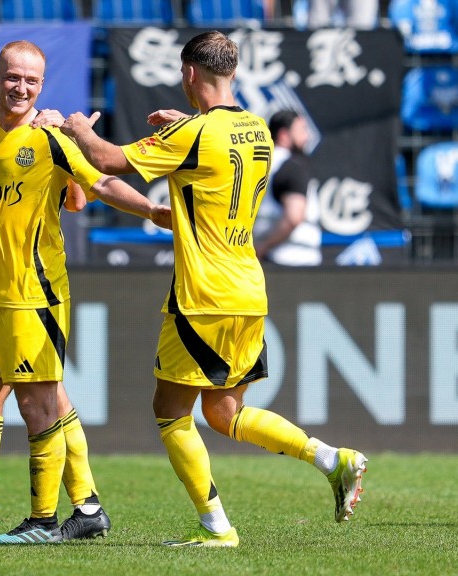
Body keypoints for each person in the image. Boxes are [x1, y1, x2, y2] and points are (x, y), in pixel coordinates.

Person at [59, 30, 366, 548]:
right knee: (225, 413)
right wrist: (186, 130)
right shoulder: (259, 130)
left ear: (190, 74)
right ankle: (331, 458)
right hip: (248, 287)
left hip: (203, 293)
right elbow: (217, 161)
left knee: (169, 410)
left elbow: (108, 160)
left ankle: (216, 527)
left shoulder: (196, 134)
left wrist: (74, 130)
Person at [0, 40, 169, 544]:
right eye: (13, 79)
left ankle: (46, 518)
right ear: (0, 78)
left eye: (30, 81)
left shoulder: (50, 136)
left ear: (35, 86)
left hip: (32, 293)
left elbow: (97, 188)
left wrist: (153, 213)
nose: (18, 88)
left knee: (39, 402)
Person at [253, 109, 322, 266]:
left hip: (268, 260)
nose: (307, 137)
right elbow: (294, 216)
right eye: (302, 130)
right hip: (292, 261)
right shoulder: (292, 166)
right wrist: (263, 246)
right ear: (284, 135)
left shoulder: (260, 164)